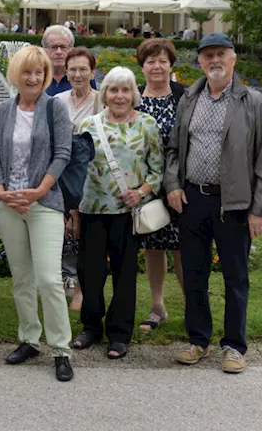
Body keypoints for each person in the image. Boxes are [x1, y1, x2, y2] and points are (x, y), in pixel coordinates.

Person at [164, 32, 262, 374]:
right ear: (199, 61)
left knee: (235, 277)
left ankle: (233, 346)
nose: (215, 61)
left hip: (235, 205)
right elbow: (173, 148)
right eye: (208, 55)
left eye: (221, 54)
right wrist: (172, 184)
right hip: (192, 200)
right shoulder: (189, 98)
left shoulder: (253, 102)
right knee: (194, 274)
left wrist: (259, 209)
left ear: (233, 60)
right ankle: (198, 340)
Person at [0, 45, 74, 382]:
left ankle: (61, 350)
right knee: (21, 278)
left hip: (44, 203)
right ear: (16, 74)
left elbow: (63, 154)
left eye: (39, 72)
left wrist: (38, 192)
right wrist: (0, 191)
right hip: (9, 204)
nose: (34, 77)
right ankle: (29, 339)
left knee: (50, 279)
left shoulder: (54, 109)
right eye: (27, 71)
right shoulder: (3, 111)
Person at [71, 67, 162, 359]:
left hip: (128, 212)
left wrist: (141, 192)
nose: (119, 96)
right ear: (105, 94)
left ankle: (120, 334)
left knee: (125, 275)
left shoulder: (147, 124)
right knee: (90, 272)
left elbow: (158, 170)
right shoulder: (89, 124)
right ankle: (91, 327)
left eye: (125, 90)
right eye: (113, 90)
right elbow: (76, 170)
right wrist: (73, 211)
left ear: (133, 94)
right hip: (92, 209)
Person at [135, 37, 189, 334]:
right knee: (153, 247)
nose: (157, 66)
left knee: (183, 247)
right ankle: (157, 307)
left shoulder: (184, 95)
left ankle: (190, 305)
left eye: (162, 61)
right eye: (150, 61)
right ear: (142, 66)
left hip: (179, 185)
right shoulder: (133, 97)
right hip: (146, 186)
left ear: (171, 65)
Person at [52, 47, 100, 312]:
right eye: (73, 69)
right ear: (66, 72)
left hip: (93, 177)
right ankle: (58, 285)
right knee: (60, 232)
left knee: (86, 236)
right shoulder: (57, 101)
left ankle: (80, 291)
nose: (78, 74)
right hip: (62, 176)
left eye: (83, 69)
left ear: (92, 72)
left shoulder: (102, 100)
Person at [42, 24, 95, 97]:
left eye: (63, 47)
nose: (59, 52)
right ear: (45, 50)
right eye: (53, 47)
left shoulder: (84, 76)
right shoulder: (37, 75)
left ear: (72, 50)